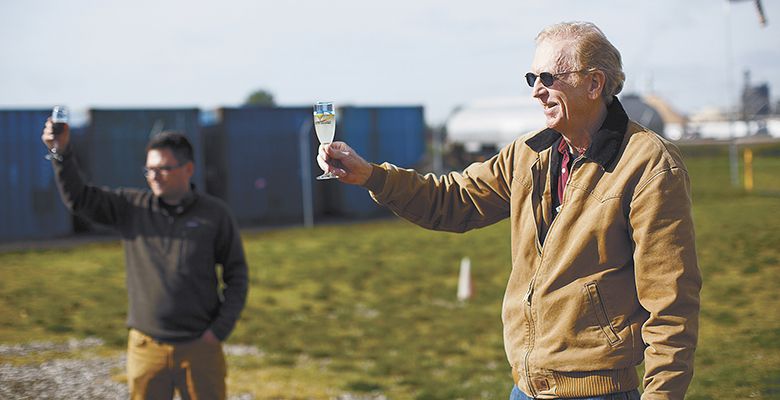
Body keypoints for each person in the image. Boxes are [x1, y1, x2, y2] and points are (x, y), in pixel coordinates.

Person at [318, 21, 701, 400]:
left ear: (594, 83)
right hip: (525, 388)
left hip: (598, 392)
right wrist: (371, 176)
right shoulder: (529, 154)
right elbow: (453, 201)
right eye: (532, 77)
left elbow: (671, 303)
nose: (537, 91)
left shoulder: (649, 164)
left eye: (549, 77)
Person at [42, 124, 249, 400]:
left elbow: (237, 274)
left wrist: (218, 331)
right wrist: (61, 151)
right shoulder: (132, 208)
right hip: (146, 347)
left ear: (188, 169)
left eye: (162, 168)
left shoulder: (215, 215)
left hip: (200, 347)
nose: (153, 176)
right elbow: (79, 200)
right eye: (149, 169)